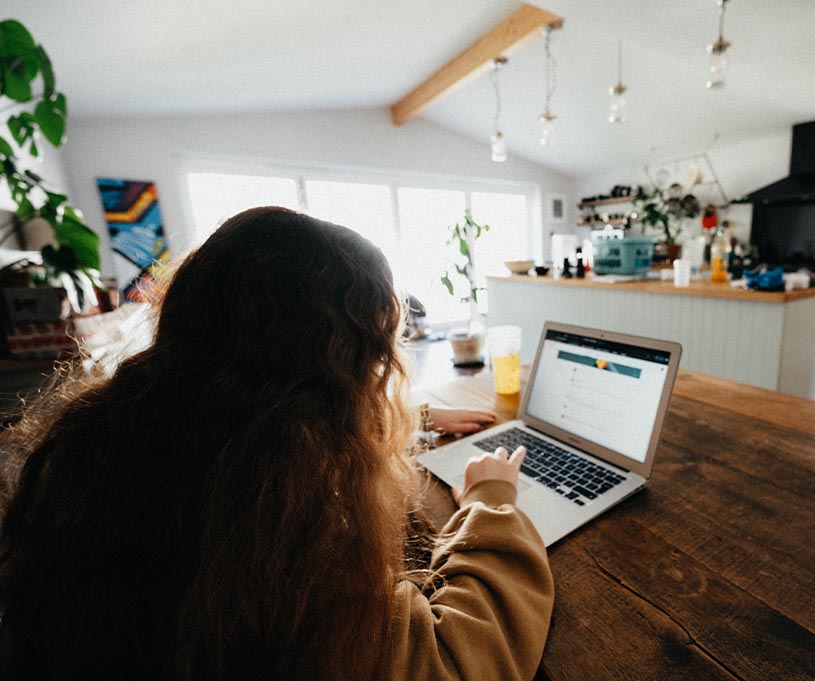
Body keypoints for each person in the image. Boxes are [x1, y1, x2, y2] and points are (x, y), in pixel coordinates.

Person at [0, 207, 553, 680]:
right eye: (373, 357)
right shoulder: (274, 530)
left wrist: (415, 414)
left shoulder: (109, 434)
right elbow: (456, 663)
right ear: (337, 375)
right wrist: (491, 504)